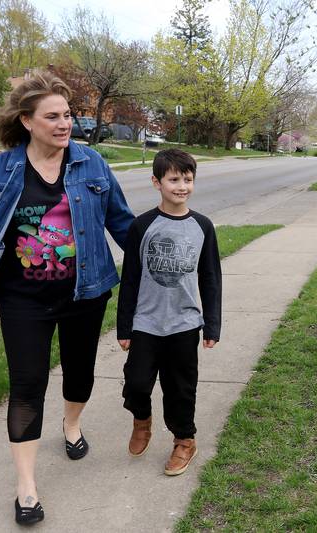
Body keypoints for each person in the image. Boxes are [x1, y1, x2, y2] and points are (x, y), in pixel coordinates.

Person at [0, 71, 134, 525]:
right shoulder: (3, 169)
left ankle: (71, 425)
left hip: (85, 294)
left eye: (68, 115)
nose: (64, 123)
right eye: (53, 116)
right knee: (27, 386)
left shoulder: (91, 164)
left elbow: (123, 224)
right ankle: (26, 487)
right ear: (27, 121)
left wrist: (162, 264)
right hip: (22, 300)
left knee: (80, 374)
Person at [116, 148, 222, 477]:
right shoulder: (142, 226)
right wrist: (124, 326)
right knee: (136, 383)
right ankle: (142, 421)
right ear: (156, 182)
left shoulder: (203, 226)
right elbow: (130, 278)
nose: (181, 186)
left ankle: (184, 441)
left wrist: (212, 325)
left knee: (180, 388)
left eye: (188, 180)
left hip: (184, 323)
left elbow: (210, 278)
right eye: (173, 179)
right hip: (146, 322)